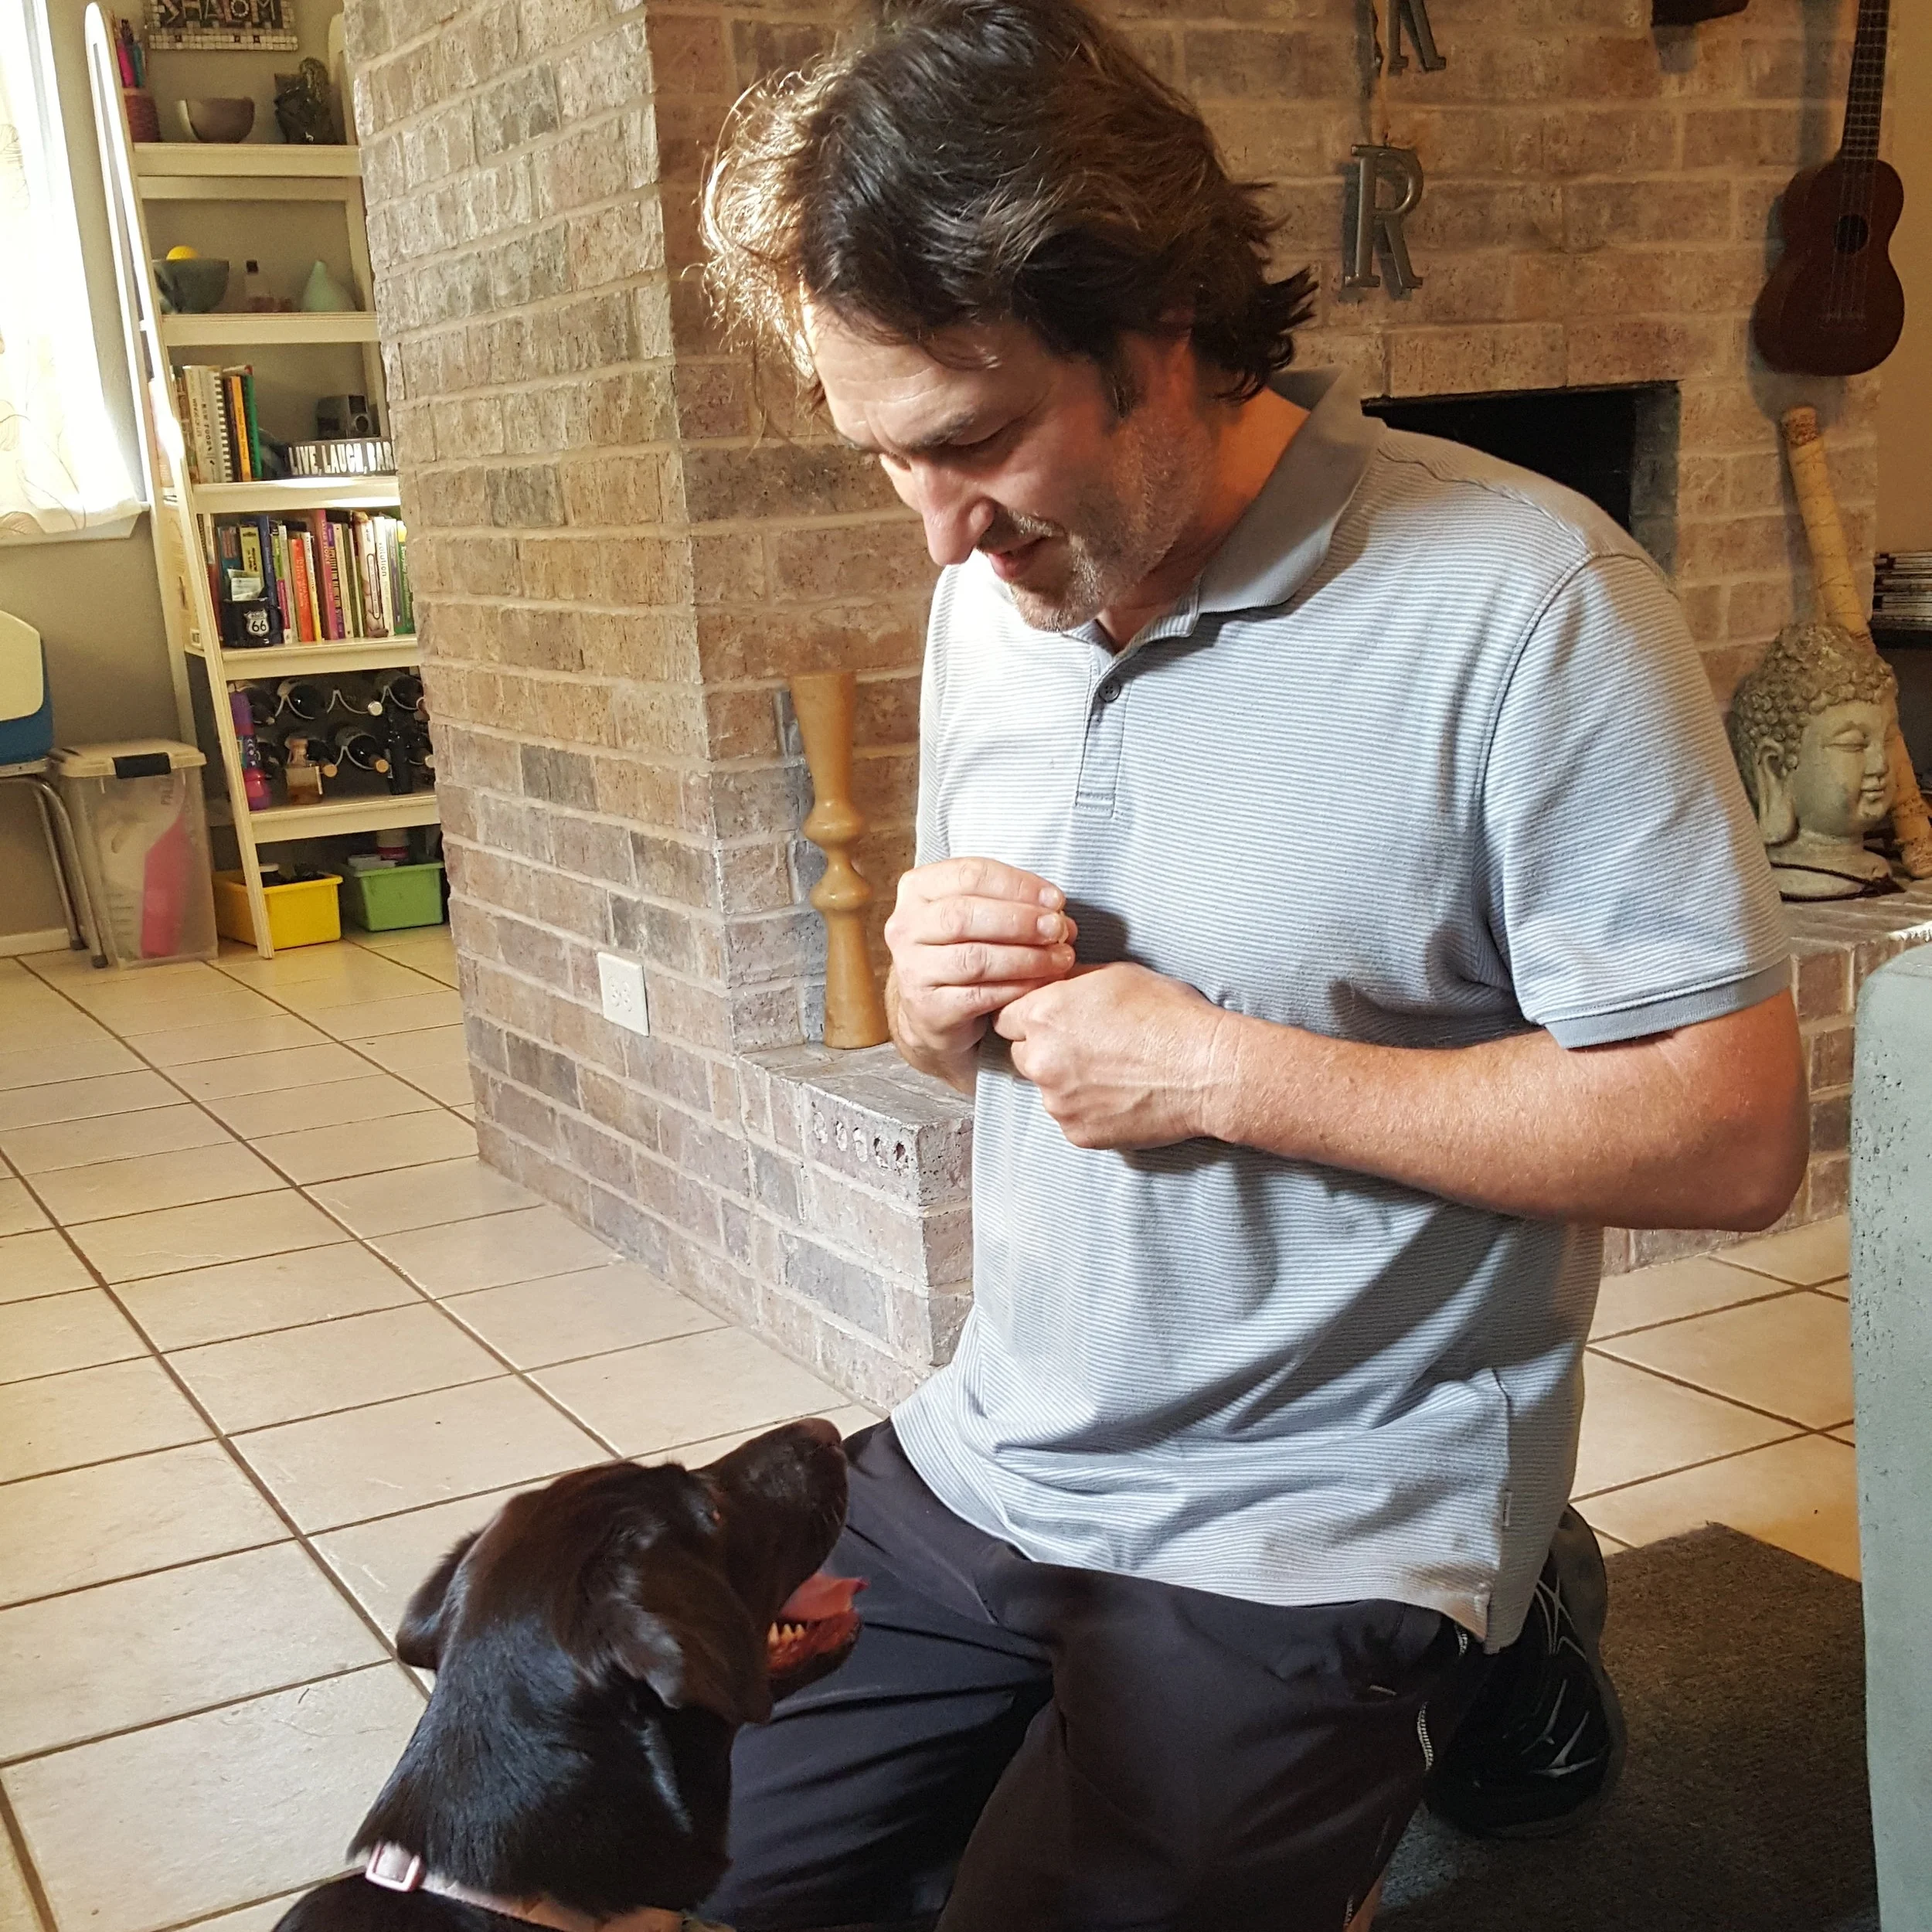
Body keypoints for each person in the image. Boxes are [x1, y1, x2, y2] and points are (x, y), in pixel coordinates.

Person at [699, 2, 1808, 1926]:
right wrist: (932, 1005)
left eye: (971, 442)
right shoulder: (989, 594)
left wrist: (1221, 1069)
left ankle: (1495, 1618)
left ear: (1158, 333)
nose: (940, 532)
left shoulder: (1528, 601)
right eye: (886, 457)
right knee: (618, 1857)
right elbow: (999, 1061)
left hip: (1320, 1511)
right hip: (994, 1454)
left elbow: (1732, 1134)